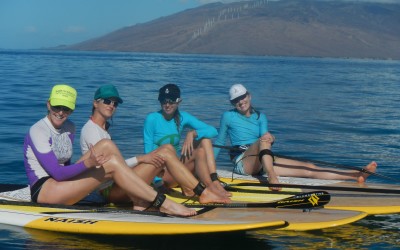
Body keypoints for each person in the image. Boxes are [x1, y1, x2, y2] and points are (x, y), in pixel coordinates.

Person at [23, 84, 196, 217]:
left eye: (66, 108)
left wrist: (79, 181)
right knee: (110, 156)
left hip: (62, 186)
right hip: (45, 191)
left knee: (108, 149)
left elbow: (66, 162)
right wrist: (88, 163)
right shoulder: (39, 130)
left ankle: (143, 198)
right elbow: (58, 174)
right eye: (57, 107)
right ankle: (160, 202)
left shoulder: (69, 126)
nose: (61, 112)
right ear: (48, 104)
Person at [80, 84, 228, 204]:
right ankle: (201, 191)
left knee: (201, 144)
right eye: (107, 101)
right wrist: (141, 162)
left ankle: (209, 185)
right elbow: (106, 169)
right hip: (108, 190)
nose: (112, 105)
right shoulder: (92, 131)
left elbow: (113, 166)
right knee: (166, 150)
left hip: (117, 182)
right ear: (95, 103)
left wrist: (194, 133)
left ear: (178, 102)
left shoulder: (102, 130)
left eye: (115, 103)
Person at [213, 83, 378, 190]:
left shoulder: (260, 116)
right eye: (236, 101)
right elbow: (220, 141)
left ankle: (356, 175)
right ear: (232, 104)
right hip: (243, 162)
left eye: (242, 97)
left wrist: (272, 139)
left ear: (249, 96)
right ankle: (272, 177)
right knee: (262, 140)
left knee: (309, 168)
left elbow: (266, 138)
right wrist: (210, 171)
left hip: (263, 158)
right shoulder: (227, 116)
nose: (240, 102)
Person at [144, 83, 230, 199]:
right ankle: (200, 186)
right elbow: (148, 153)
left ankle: (213, 183)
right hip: (162, 174)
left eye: (171, 101)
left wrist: (193, 133)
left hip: (179, 168)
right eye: (164, 101)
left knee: (204, 141)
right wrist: (157, 182)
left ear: (179, 101)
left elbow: (213, 130)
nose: (167, 105)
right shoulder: (152, 119)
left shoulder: (183, 117)